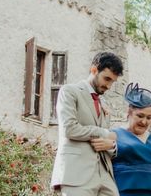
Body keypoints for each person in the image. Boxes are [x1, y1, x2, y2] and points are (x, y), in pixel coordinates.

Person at [51, 51, 124, 196]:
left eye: (112, 82)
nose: (109, 86)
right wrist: (103, 133)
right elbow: (70, 129)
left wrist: (112, 146)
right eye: (106, 79)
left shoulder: (104, 103)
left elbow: (105, 140)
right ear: (94, 70)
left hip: (105, 176)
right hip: (76, 174)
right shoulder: (70, 91)